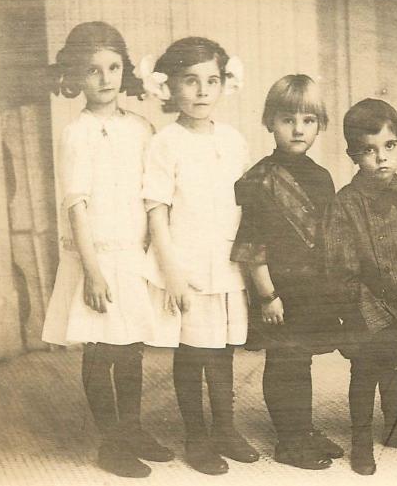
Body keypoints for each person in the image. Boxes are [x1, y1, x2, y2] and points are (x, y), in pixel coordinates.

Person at [42, 21, 172, 478]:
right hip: (96, 256)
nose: (104, 78)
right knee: (101, 350)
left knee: (132, 347)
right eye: (92, 70)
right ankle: (111, 443)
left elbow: (152, 193)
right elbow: (76, 206)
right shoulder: (76, 133)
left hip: (131, 253)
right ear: (74, 76)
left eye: (113, 67)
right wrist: (92, 272)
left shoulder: (141, 128)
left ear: (125, 70)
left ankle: (132, 428)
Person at [141, 36, 258, 475]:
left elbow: (245, 203)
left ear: (225, 84)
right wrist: (171, 270)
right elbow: (156, 209)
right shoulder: (166, 143)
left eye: (212, 80)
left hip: (227, 262)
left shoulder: (233, 140)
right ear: (169, 87)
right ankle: (197, 435)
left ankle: (225, 427)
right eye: (190, 81)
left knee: (223, 348)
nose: (203, 91)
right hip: (187, 264)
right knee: (192, 351)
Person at [232, 74, 343, 470]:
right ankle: (289, 441)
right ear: (269, 122)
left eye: (308, 120)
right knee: (284, 362)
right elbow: (251, 244)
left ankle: (304, 428)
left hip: (312, 289)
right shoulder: (260, 178)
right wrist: (266, 295)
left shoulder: (321, 176)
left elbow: (329, 237)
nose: (298, 129)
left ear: (320, 125)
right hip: (278, 291)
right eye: (287, 119)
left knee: (302, 361)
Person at [324, 98, 397, 475]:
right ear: (354, 154)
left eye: (389, 146)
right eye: (369, 150)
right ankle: (359, 440)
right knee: (367, 369)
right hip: (365, 304)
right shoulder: (345, 203)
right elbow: (341, 265)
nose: (381, 158)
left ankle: (395, 426)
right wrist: (358, 307)